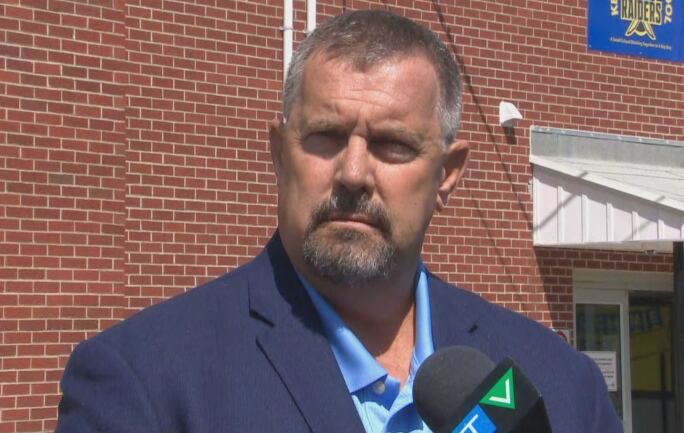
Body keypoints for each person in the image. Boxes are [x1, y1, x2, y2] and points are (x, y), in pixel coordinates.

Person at [54, 10, 622, 433]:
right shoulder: (143, 384)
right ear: (279, 154)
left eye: (392, 145)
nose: (353, 172)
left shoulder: (559, 386)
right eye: (325, 137)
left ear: (447, 174)